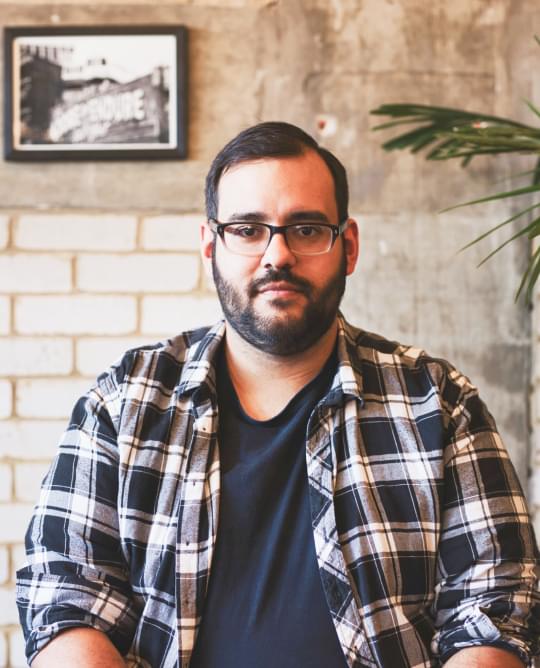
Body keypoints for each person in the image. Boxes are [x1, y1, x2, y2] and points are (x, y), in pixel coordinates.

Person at [17, 122, 539, 668]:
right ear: (210, 246)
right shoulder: (126, 400)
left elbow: (498, 603)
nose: (278, 255)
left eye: (307, 229)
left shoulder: (437, 401)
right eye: (247, 229)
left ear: (348, 246)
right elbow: (65, 593)